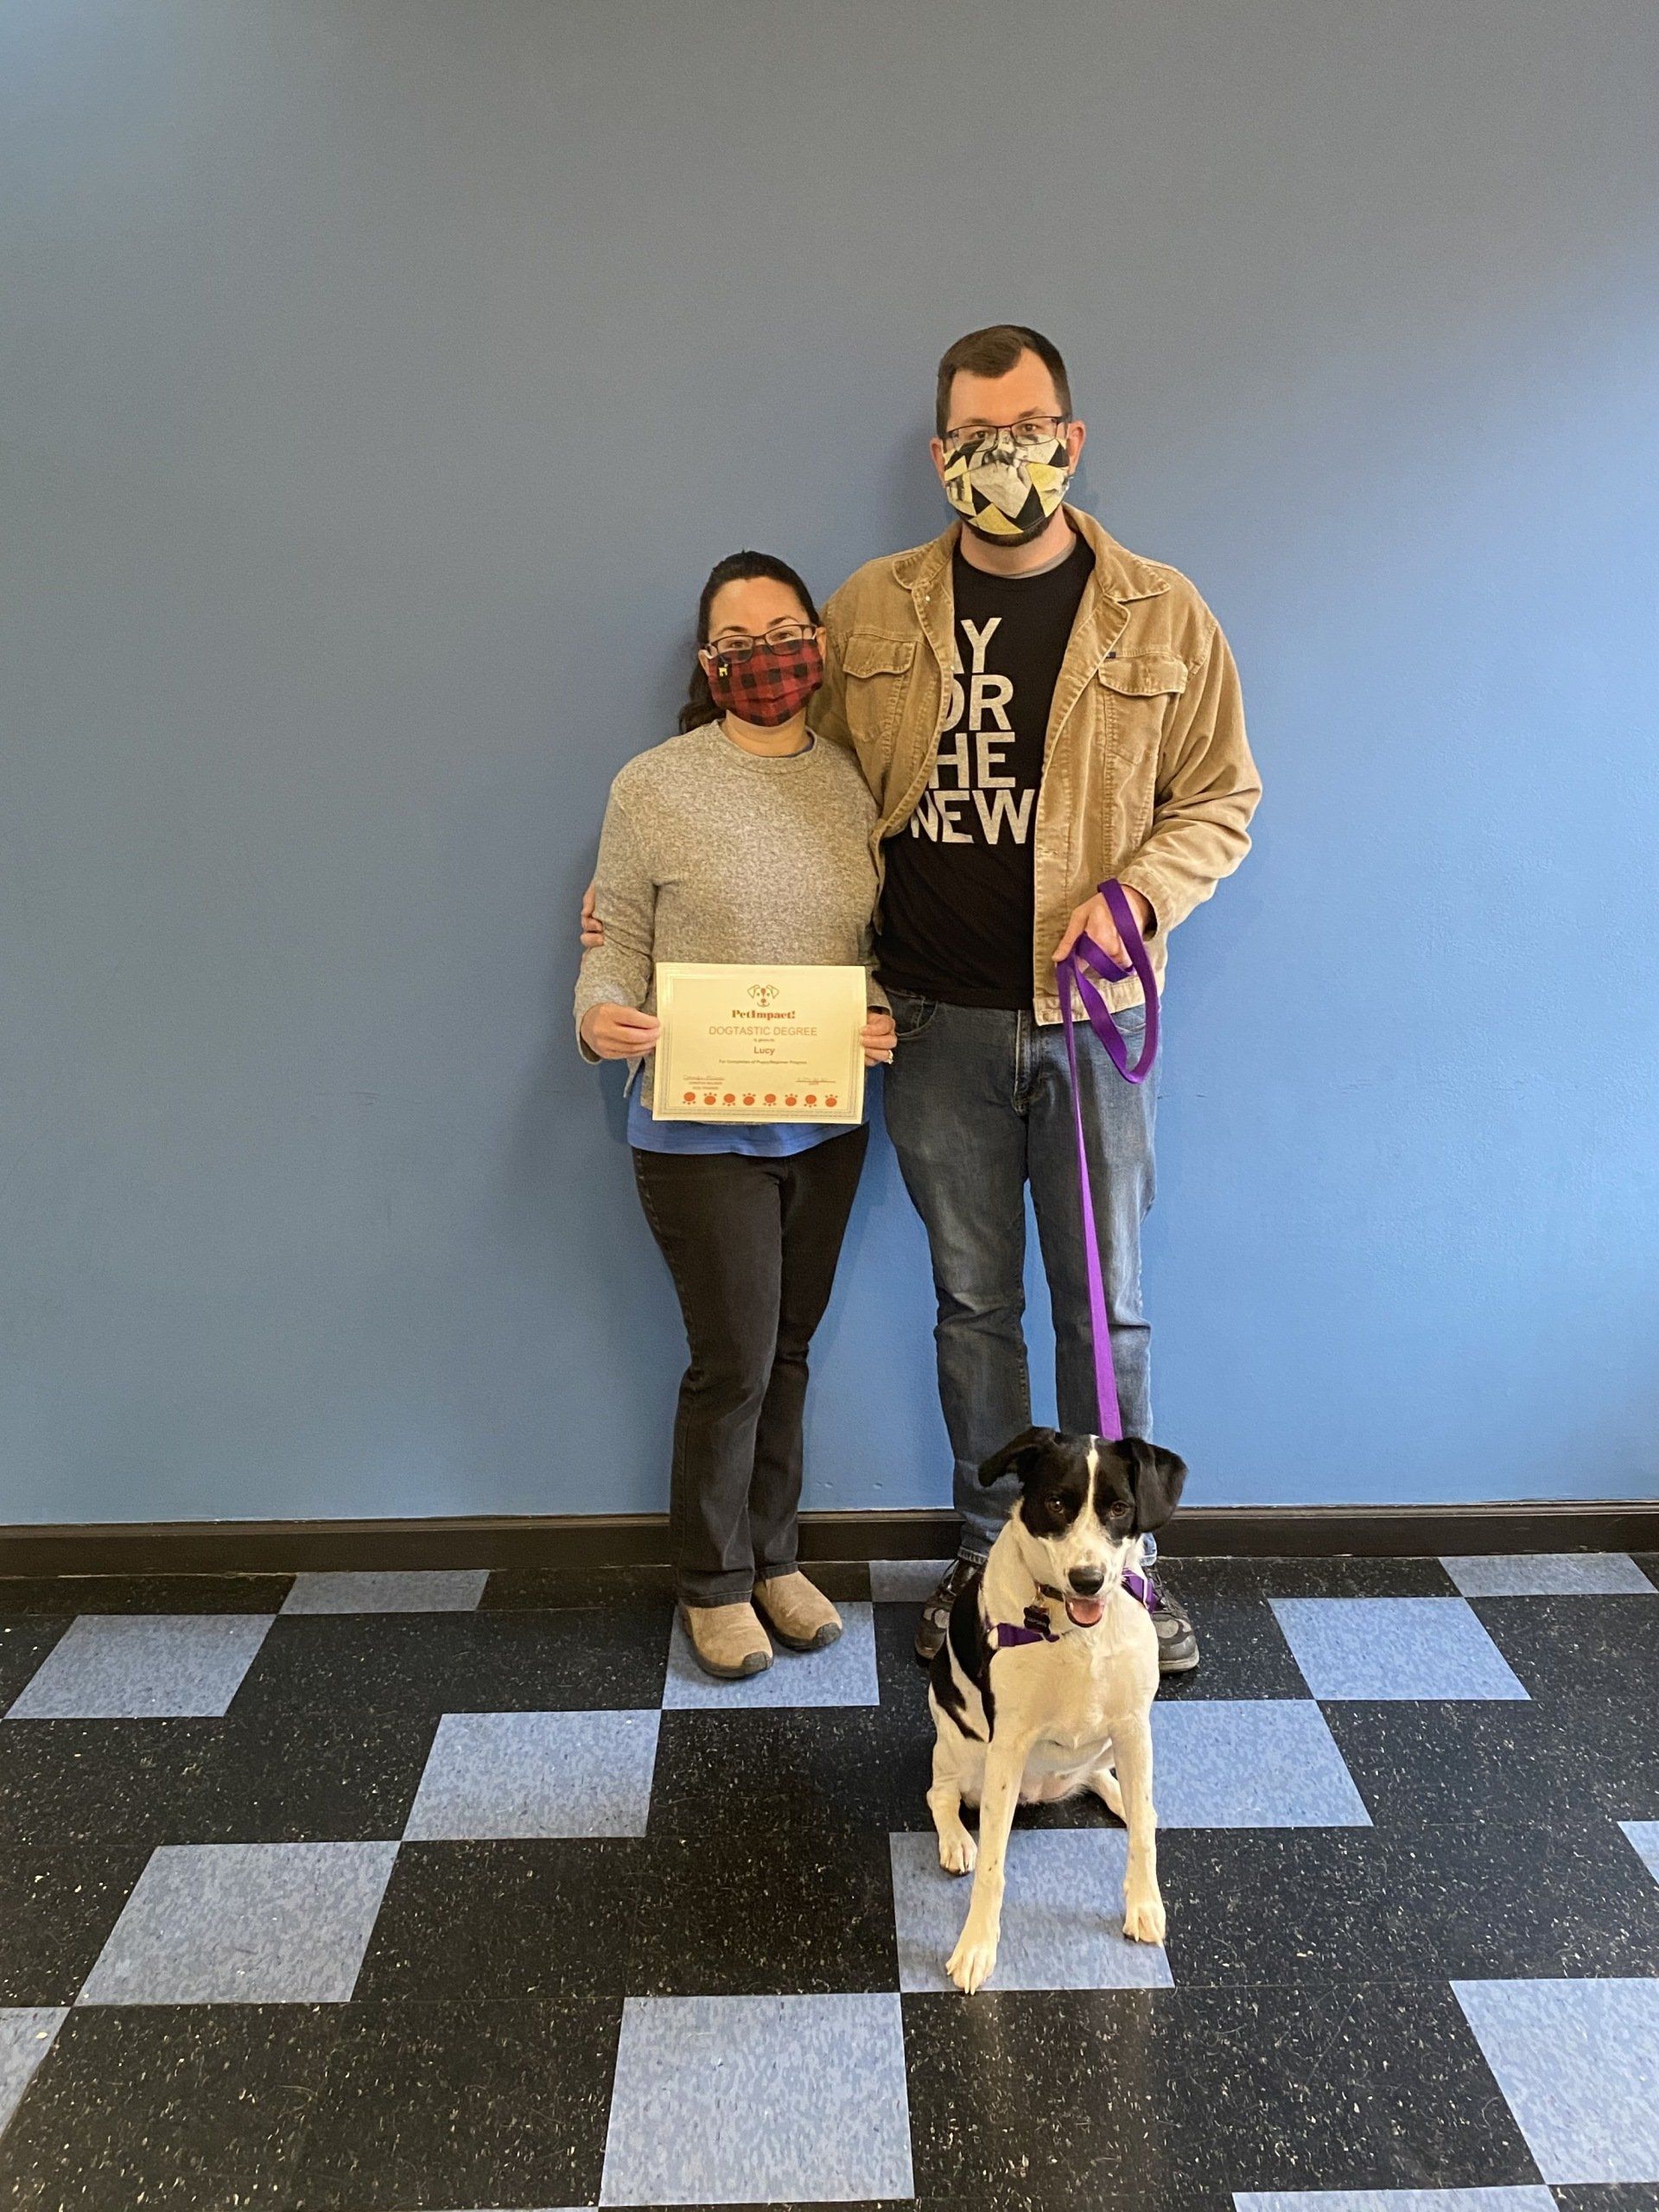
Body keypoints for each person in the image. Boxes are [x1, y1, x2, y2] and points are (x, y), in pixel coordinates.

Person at [585, 327, 1261, 1672]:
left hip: (1090, 1025)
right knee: (972, 1307)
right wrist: (627, 916)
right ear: (942, 448)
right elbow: (801, 797)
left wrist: (1137, 899)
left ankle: (1125, 1572)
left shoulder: (1161, 610)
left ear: (1071, 439)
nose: (996, 456)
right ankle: (986, 1561)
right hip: (933, 1026)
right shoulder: (878, 607)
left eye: (1024, 429)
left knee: (1106, 1305)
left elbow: (1223, 799)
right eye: (970, 435)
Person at [575, 552, 898, 1681]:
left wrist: (881, 1014)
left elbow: (882, 947)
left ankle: (775, 1557)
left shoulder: (860, 783)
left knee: (791, 1349)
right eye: (740, 634)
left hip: (826, 1121)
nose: (766, 650)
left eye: (786, 626)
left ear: (817, 642)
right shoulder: (653, 785)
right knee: (736, 1357)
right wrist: (601, 1015)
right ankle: (712, 1582)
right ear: (710, 661)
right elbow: (611, 940)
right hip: (693, 1128)